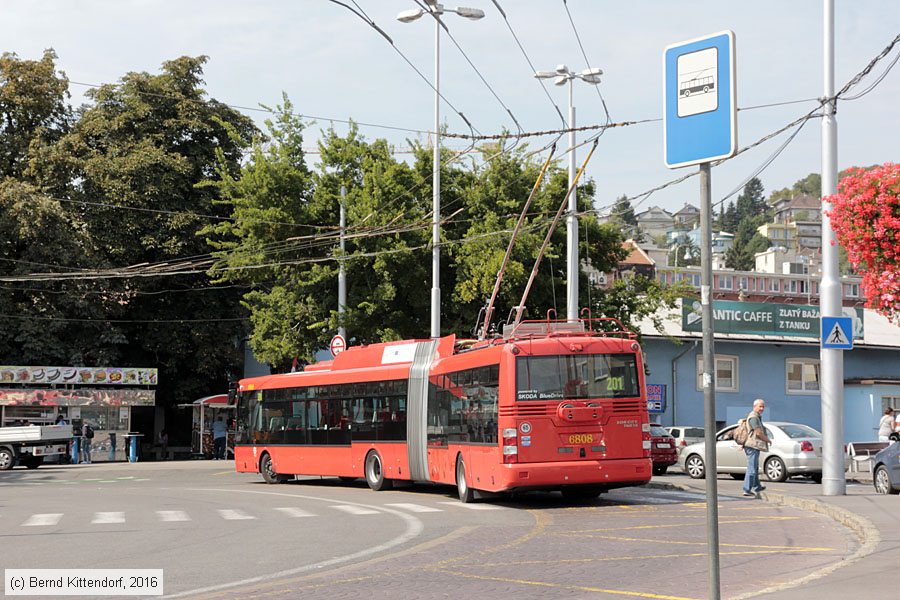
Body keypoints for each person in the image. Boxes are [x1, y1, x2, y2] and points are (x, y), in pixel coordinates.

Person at [742, 398, 771, 497]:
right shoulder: (754, 417)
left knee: (754, 466)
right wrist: (767, 440)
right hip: (752, 446)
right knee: (752, 468)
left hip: (753, 446)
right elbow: (758, 433)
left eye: (763, 406)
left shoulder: (756, 416)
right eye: (760, 406)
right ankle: (746, 489)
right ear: (755, 406)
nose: (762, 408)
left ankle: (757, 486)